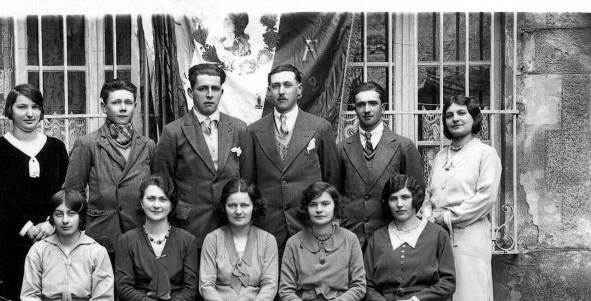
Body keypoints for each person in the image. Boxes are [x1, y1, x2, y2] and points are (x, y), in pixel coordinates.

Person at [0, 84, 69, 301]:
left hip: (52, 237)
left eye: (35, 107)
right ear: (10, 111)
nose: (29, 113)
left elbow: (65, 191)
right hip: (12, 241)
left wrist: (51, 223)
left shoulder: (56, 148)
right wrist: (28, 227)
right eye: (22, 107)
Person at [422, 95, 501, 301]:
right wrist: (428, 216)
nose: (454, 119)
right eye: (449, 115)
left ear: (473, 118)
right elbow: (430, 194)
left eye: (461, 113)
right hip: (437, 236)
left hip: (468, 237)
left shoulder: (486, 154)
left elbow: (485, 198)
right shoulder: (440, 156)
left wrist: (446, 217)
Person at [243, 64, 341, 252]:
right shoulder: (254, 131)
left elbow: (332, 179)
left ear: (299, 90)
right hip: (269, 229)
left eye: (287, 85)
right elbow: (249, 182)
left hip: (310, 225)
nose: (281, 91)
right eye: (276, 86)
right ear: (269, 91)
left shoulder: (320, 128)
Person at [154, 63, 250, 249]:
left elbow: (247, 178)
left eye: (215, 89)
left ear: (222, 92)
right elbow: (163, 182)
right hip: (189, 226)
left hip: (231, 223)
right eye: (202, 89)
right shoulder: (173, 132)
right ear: (191, 92)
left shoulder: (238, 128)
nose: (209, 94)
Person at [63, 79, 155, 255]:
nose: (123, 108)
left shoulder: (148, 145)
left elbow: (156, 189)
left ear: (135, 106)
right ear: (104, 107)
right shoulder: (88, 143)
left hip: (140, 232)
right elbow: (73, 191)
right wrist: (82, 229)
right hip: (102, 234)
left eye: (128, 103)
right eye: (116, 102)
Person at [337, 80, 426, 250]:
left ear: (383, 107)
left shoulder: (402, 146)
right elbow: (336, 192)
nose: (367, 109)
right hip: (352, 239)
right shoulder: (342, 148)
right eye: (361, 104)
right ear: (354, 108)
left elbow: (417, 193)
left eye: (373, 103)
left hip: (393, 237)